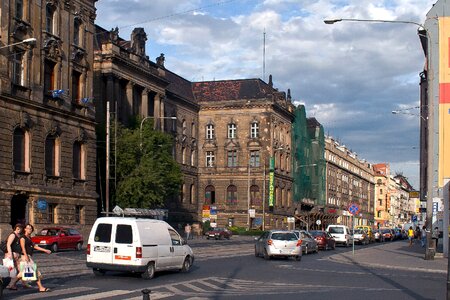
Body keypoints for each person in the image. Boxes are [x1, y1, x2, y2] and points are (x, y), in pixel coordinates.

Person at [10, 223, 52, 293]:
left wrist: (45, 250)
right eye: (28, 228)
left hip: (27, 256)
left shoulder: (29, 238)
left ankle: (12, 285)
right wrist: (26, 256)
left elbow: (35, 246)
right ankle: (41, 287)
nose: (30, 229)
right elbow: (23, 247)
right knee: (35, 271)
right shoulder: (23, 237)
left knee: (22, 273)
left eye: (31, 228)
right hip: (24, 256)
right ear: (25, 229)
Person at [5, 224, 25, 290]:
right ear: (15, 228)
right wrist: (10, 254)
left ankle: (12, 284)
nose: (19, 230)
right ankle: (9, 285)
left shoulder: (19, 235)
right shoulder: (13, 235)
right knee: (10, 271)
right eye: (18, 228)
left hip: (17, 256)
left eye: (20, 229)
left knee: (21, 270)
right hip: (10, 256)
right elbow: (8, 244)